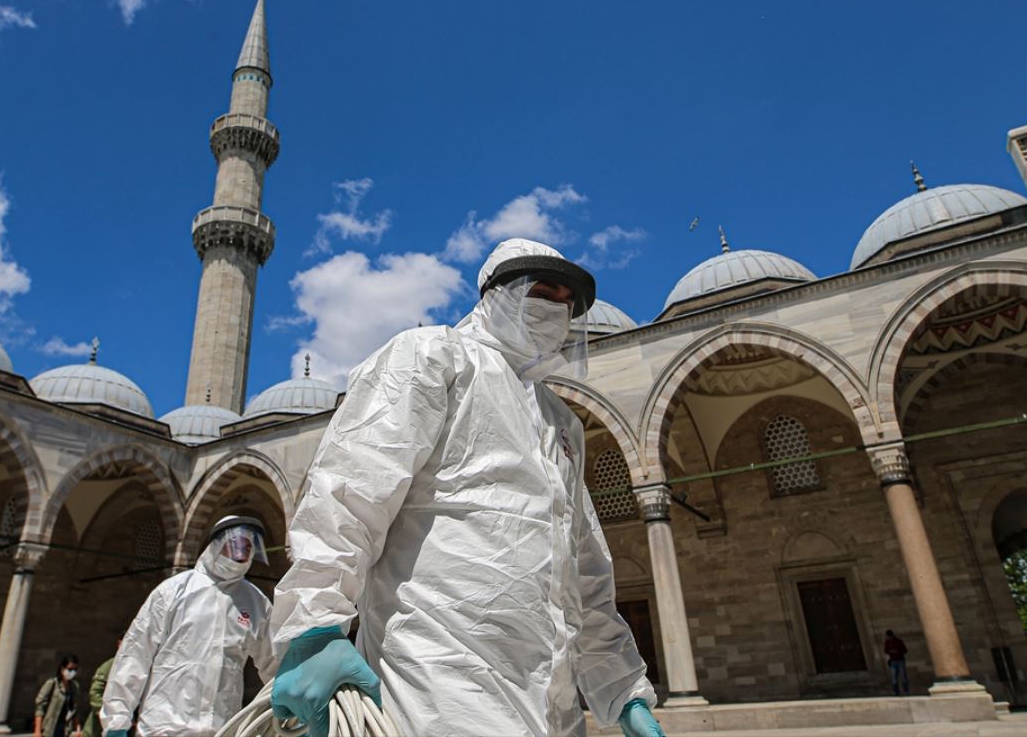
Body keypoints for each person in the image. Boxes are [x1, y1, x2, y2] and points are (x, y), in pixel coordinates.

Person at [270, 238, 664, 737]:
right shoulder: (433, 355)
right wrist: (315, 625)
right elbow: (349, 494)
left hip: (551, 696)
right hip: (439, 673)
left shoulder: (560, 421)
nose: (557, 310)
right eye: (544, 292)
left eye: (568, 303)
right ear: (498, 294)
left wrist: (623, 690)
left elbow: (584, 570)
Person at [101, 515, 276, 737]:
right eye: (235, 546)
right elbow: (135, 654)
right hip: (163, 728)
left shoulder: (255, 602)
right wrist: (117, 721)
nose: (241, 554)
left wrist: (293, 708)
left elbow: (274, 663)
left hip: (221, 730)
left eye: (247, 548)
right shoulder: (174, 591)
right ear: (216, 546)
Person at [34, 654, 82, 737]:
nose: (72, 672)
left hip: (65, 729)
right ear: (62, 669)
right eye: (70, 669)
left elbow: (75, 709)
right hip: (49, 728)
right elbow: (40, 707)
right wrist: (37, 731)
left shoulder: (74, 687)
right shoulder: (52, 684)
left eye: (75, 669)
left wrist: (78, 728)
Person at [83, 640, 119, 737]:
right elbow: (95, 692)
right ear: (119, 644)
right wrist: (104, 713)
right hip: (102, 722)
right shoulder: (109, 666)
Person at [884, 630, 910, 696]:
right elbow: (886, 651)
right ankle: (896, 692)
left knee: (903, 677)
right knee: (894, 679)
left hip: (900, 660)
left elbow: (905, 650)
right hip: (892, 661)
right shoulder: (887, 642)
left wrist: (897, 651)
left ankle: (906, 691)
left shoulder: (899, 641)